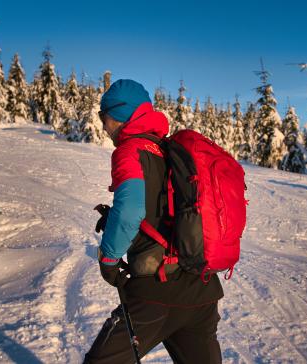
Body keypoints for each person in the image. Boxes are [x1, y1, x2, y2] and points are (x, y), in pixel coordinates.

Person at [83, 79, 224, 364]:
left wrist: (109, 260)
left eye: (104, 116)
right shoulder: (169, 149)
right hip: (201, 288)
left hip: (157, 292)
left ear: (121, 115)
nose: (103, 125)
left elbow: (132, 209)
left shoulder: (129, 151)